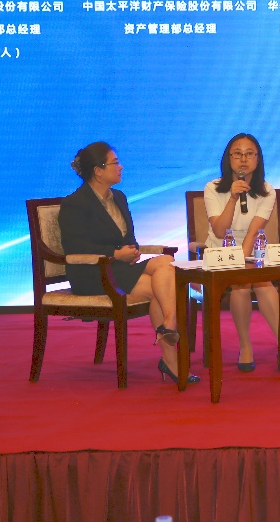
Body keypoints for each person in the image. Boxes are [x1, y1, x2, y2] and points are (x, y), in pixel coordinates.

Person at [59, 142, 199, 385]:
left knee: (166, 263)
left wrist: (131, 250)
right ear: (98, 171)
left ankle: (168, 327)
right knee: (161, 288)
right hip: (92, 274)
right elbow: (75, 248)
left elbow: (128, 237)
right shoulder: (75, 203)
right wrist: (115, 254)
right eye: (115, 163)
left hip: (120, 268)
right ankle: (170, 351)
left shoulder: (119, 198)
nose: (121, 167)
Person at [203, 133, 280, 373]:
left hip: (252, 250)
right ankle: (245, 346)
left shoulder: (266, 191)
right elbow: (219, 230)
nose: (243, 159)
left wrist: (242, 261)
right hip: (220, 252)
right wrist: (233, 198)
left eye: (249, 154)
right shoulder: (212, 188)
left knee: (261, 281)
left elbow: (254, 232)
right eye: (237, 154)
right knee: (241, 284)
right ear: (228, 158)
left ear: (258, 158)